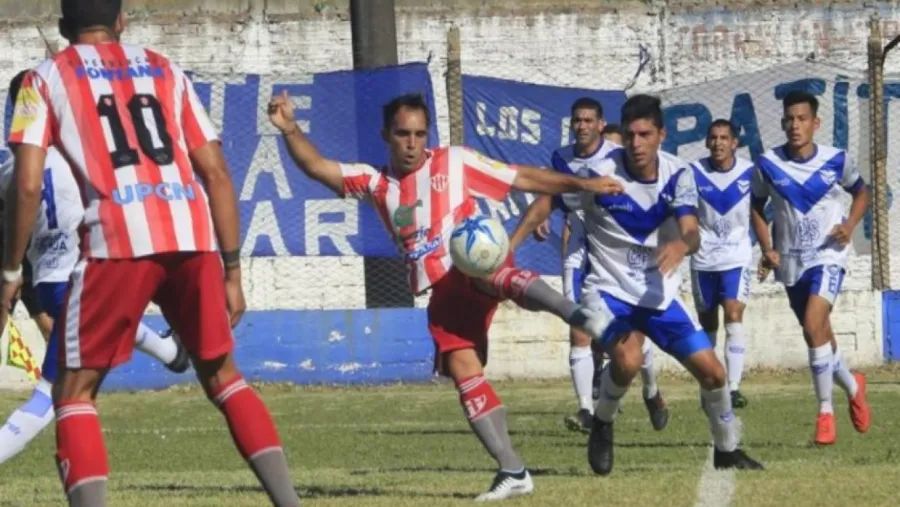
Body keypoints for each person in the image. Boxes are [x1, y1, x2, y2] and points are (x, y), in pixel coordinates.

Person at [0, 2, 301, 506]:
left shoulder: (42, 78)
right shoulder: (166, 68)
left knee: (73, 393)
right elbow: (217, 173)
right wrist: (232, 271)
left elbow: (27, 185)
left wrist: (11, 271)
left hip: (117, 238)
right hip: (190, 232)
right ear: (121, 22)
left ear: (62, 27)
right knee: (224, 377)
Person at [268, 91, 623, 501]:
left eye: (420, 134)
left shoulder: (454, 161)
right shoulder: (375, 182)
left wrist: (584, 184)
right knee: (462, 368)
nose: (412, 143)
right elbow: (317, 167)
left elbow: (522, 177)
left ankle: (575, 313)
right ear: (386, 135)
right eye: (403, 134)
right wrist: (290, 128)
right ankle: (512, 469)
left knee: (483, 266)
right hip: (442, 290)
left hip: (474, 261)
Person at [0, 69, 192, 466]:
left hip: (49, 281)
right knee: (50, 395)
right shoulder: (79, 155)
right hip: (83, 277)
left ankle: (172, 352)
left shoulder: (9, 168)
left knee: (108, 318)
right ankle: (171, 352)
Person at [578, 94, 764, 475]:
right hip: (609, 291)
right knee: (628, 358)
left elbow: (691, 231)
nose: (636, 143)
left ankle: (726, 451)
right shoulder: (599, 174)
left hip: (658, 296)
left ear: (662, 135)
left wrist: (681, 245)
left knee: (714, 373)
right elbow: (552, 200)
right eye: (630, 134)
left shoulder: (679, 174)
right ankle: (602, 422)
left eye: (645, 134)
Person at [509, 98, 667, 434]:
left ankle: (651, 390)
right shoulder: (561, 158)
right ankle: (585, 410)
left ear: (600, 124)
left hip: (616, 248)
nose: (581, 126)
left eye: (588, 120)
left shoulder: (616, 156)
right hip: (578, 247)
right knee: (578, 326)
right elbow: (551, 196)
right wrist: (515, 241)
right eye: (577, 120)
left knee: (635, 331)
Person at [751, 90, 871, 446]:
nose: (795, 125)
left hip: (828, 255)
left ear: (816, 123)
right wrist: (767, 248)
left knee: (813, 323)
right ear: (782, 122)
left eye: (802, 119)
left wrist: (849, 225)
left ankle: (825, 413)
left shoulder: (837, 160)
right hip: (792, 262)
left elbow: (862, 192)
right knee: (816, 334)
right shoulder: (768, 164)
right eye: (789, 119)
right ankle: (853, 386)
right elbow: (756, 207)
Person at [689, 119, 755, 409]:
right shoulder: (693, 172)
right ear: (706, 142)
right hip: (704, 259)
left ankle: (734, 387)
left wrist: (768, 249)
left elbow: (761, 210)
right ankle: (709, 385)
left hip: (736, 258)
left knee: (733, 314)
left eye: (724, 138)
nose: (718, 143)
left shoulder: (750, 172)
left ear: (734, 143)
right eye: (713, 137)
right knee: (708, 323)